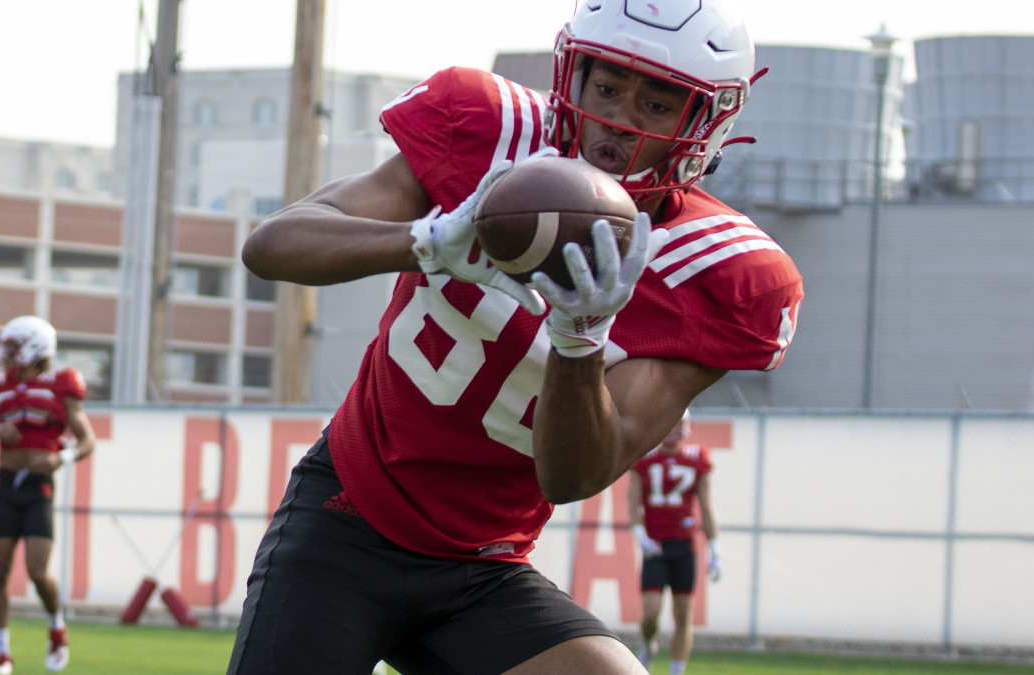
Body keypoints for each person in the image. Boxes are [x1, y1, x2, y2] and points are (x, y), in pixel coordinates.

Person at [230, 0, 802, 672]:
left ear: (704, 122)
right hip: (348, 515)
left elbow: (574, 474)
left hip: (483, 566)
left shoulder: (721, 271)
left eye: (656, 103)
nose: (619, 120)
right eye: (609, 86)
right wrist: (426, 241)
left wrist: (579, 340)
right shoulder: (491, 134)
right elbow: (272, 246)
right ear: (574, 74)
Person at [0, 315, 96, 675]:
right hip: (6, 484)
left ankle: (56, 626)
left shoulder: (61, 384)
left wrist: (62, 457)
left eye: (13, 347)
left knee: (38, 572)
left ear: (37, 347)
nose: (6, 355)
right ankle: (2, 654)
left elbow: (87, 440)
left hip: (38, 486)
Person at [628, 411, 721, 675]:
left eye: (679, 425)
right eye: (670, 424)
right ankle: (648, 645)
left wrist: (716, 550)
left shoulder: (697, 458)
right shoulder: (644, 458)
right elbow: (632, 502)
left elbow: (706, 506)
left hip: (684, 546)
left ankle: (676, 671)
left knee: (683, 615)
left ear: (687, 429)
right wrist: (640, 536)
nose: (673, 431)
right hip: (655, 546)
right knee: (650, 613)